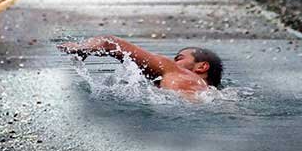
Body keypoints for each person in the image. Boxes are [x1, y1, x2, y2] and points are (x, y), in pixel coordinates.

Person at [58, 36, 223, 95]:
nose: (174, 63)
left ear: (202, 67)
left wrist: (80, 49)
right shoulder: (211, 94)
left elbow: (110, 43)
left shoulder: (176, 72)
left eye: (179, 58)